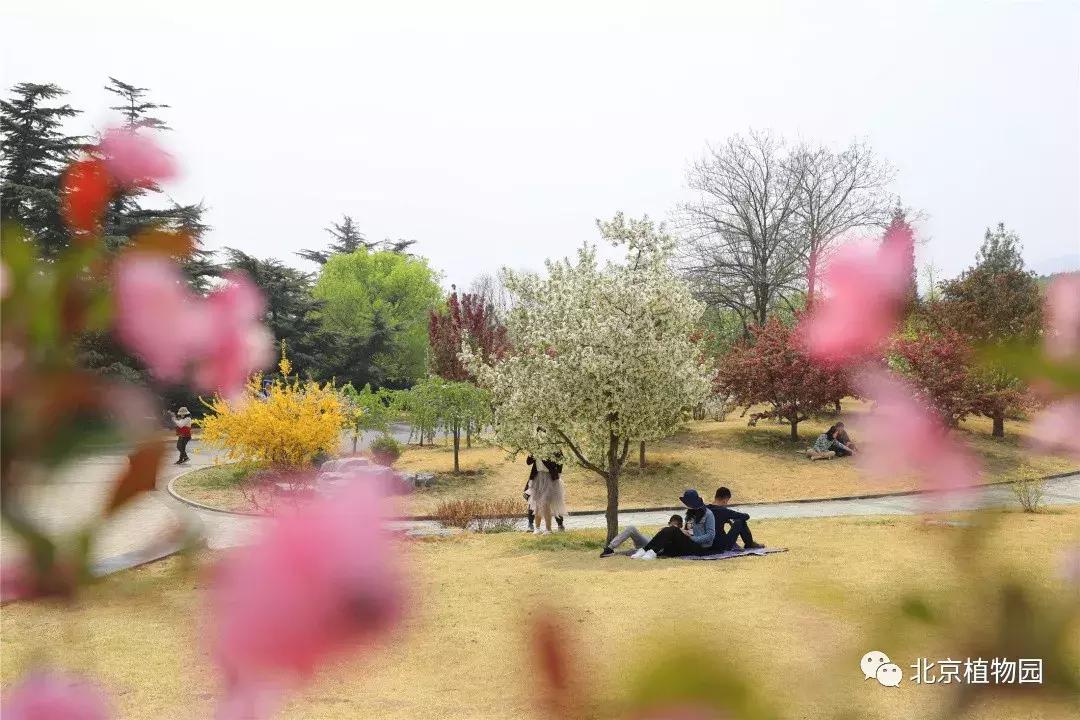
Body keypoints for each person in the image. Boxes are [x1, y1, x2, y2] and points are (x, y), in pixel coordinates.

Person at [600, 489, 715, 559]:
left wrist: (692, 537)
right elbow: (690, 530)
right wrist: (686, 532)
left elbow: (710, 536)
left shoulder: (708, 514)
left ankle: (649, 551)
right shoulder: (691, 514)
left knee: (672, 530)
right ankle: (646, 550)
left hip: (698, 547)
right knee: (669, 530)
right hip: (685, 542)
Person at [707, 486, 765, 553]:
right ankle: (749, 544)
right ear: (725, 500)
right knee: (740, 521)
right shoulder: (723, 511)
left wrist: (727, 519)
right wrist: (731, 518)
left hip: (706, 546)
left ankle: (750, 544)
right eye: (727, 501)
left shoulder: (705, 509)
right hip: (721, 547)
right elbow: (746, 516)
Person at [525, 453, 566, 535]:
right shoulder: (535, 448)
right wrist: (532, 453)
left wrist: (557, 475)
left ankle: (548, 529)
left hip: (550, 478)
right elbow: (528, 462)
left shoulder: (552, 446)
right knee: (536, 503)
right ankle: (537, 528)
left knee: (546, 503)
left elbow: (561, 461)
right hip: (537, 478)